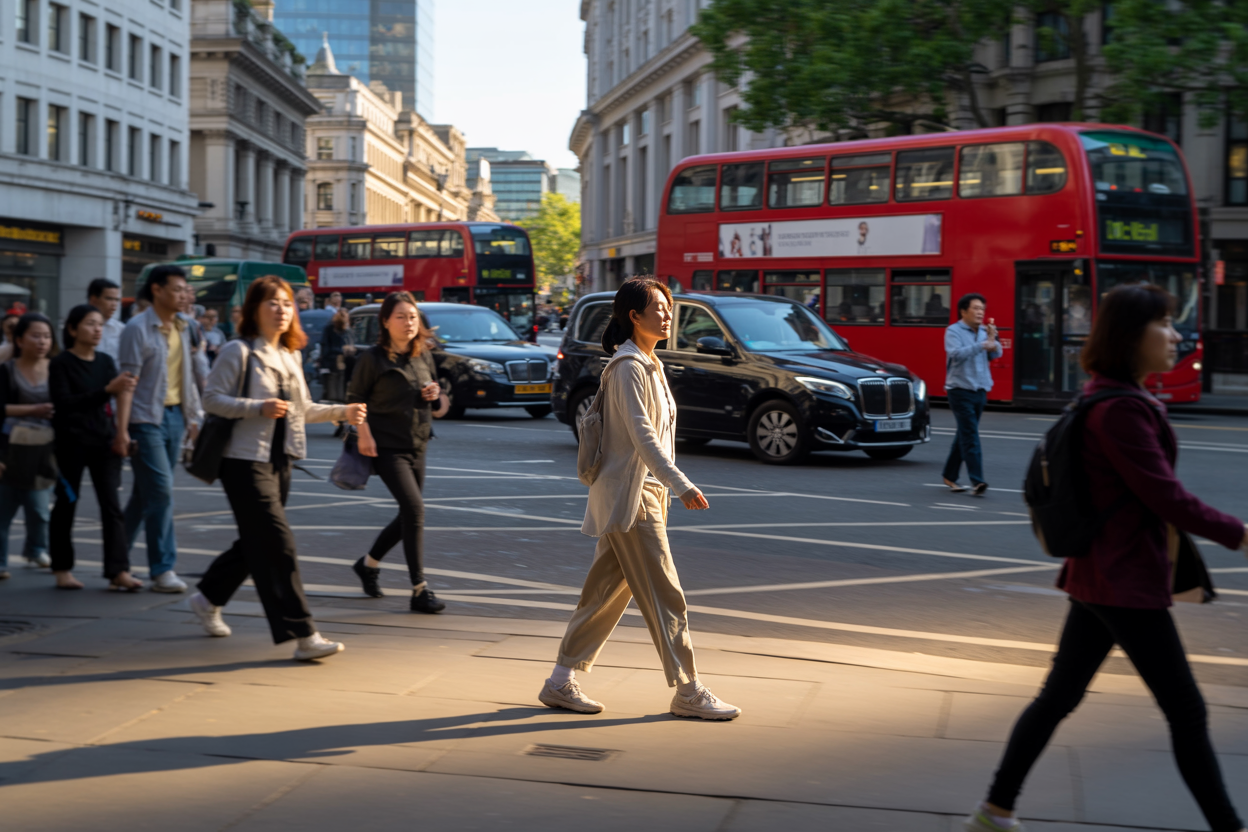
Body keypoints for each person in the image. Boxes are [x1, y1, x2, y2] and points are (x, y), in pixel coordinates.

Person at [964, 284, 1248, 832]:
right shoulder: (1119, 409)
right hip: (1122, 582)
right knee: (1186, 712)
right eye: (1163, 323)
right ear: (1129, 336)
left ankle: (994, 810)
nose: (1175, 335)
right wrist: (1239, 534)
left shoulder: (1110, 397)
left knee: (1058, 697)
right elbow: (1165, 496)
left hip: (1100, 577)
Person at [537, 277, 741, 721]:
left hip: (640, 493)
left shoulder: (649, 362)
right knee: (667, 595)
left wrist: (665, 485)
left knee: (604, 594)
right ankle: (689, 691)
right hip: (635, 497)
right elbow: (642, 435)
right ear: (634, 316)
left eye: (669, 307)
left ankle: (558, 682)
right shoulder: (629, 366)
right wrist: (680, 483)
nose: (668, 314)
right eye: (659, 308)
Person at [188, 276, 367, 660]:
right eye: (272, 302)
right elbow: (212, 400)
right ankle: (304, 635)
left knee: (255, 541)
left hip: (280, 458)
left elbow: (302, 409)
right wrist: (256, 407)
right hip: (242, 461)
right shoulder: (238, 352)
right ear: (255, 309)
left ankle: (207, 598)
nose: (282, 309)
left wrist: (342, 411)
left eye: (287, 303)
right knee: (278, 543)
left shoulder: (290, 355)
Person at [347, 291, 449, 613]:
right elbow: (354, 400)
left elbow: (441, 408)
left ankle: (368, 564)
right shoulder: (372, 359)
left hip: (418, 442)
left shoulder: (423, 354)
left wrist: (436, 395)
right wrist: (362, 434)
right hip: (386, 446)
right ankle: (420, 588)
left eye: (413, 317)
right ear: (386, 321)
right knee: (415, 511)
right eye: (402, 316)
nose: (409, 323)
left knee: (409, 513)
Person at [118, 265, 203, 593]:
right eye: (178, 289)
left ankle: (116, 559)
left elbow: (187, 377)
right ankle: (162, 569)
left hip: (175, 418)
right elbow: (127, 383)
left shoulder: (184, 326)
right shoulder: (136, 329)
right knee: (162, 492)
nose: (184, 295)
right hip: (145, 420)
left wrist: (193, 418)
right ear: (157, 290)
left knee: (145, 495)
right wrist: (122, 431)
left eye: (186, 290)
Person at [48, 305, 139, 590]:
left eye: (100, 324)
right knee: (67, 503)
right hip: (70, 443)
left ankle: (118, 571)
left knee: (112, 506)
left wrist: (121, 434)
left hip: (103, 441)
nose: (98, 329)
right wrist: (105, 391)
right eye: (90, 324)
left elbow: (119, 395)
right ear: (73, 330)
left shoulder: (105, 361)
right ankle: (62, 568)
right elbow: (64, 403)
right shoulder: (61, 363)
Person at [0, 313, 58, 579]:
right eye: (35, 335)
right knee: (4, 509)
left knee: (38, 507)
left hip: (44, 448)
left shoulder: (57, 368)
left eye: (46, 336)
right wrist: (33, 409)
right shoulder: (7, 370)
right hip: (9, 446)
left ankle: (36, 549)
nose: (42, 341)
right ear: (20, 340)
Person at [943, 293, 1001, 495]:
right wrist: (982, 344)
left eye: (982, 309)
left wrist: (993, 339)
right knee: (971, 436)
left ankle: (949, 475)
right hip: (959, 390)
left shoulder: (986, 331)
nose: (980, 313)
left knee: (964, 434)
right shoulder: (953, 331)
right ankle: (978, 481)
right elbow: (956, 354)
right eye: (976, 308)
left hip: (980, 389)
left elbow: (996, 354)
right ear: (964, 311)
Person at [320, 308, 356, 403]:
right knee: (335, 384)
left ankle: (338, 398)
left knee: (340, 383)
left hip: (345, 362)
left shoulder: (348, 330)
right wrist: (342, 350)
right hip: (333, 361)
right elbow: (326, 347)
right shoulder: (330, 330)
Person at [86, 279, 125, 360]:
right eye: (109, 299)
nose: (114, 304)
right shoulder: (81, 326)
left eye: (116, 300)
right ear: (93, 300)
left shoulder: (121, 329)